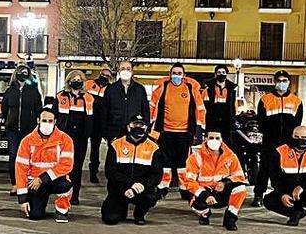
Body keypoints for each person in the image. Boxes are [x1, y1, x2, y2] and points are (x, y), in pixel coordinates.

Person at [150, 63, 206, 199]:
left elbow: (200, 109)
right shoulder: (162, 88)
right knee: (165, 161)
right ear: (170, 75)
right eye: (174, 73)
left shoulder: (190, 88)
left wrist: (198, 130)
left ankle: (184, 187)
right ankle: (163, 186)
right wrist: (151, 127)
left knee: (183, 162)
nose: (176, 75)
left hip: (185, 132)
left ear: (184, 75)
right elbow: (152, 106)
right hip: (165, 132)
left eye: (179, 73)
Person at [252, 70, 303, 206]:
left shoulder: (296, 101)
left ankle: (282, 194)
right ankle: (258, 194)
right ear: (275, 82)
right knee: (265, 168)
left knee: (284, 169)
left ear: (288, 83)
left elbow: (297, 122)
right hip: (270, 140)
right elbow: (261, 120)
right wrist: (268, 134)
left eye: (284, 81)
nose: (282, 83)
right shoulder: (265, 99)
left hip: (287, 141)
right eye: (279, 81)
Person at [15, 106, 74, 223]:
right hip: (34, 182)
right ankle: (38, 204)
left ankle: (62, 210)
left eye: (50, 121)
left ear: (55, 122)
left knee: (65, 186)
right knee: (35, 215)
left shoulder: (65, 139)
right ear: (38, 120)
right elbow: (20, 169)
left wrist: (42, 178)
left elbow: (66, 165)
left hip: (55, 179)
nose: (47, 123)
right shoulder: (27, 141)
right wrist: (22, 199)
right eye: (44, 120)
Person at [101, 115, 162, 225]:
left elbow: (156, 175)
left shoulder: (154, 147)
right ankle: (121, 208)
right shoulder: (116, 144)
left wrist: (142, 185)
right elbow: (110, 171)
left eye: (141, 125)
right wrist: (129, 185)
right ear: (128, 127)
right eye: (135, 124)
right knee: (110, 219)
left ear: (146, 127)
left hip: (141, 189)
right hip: (120, 188)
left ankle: (139, 214)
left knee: (151, 197)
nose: (138, 127)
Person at [184, 130, 247, 231]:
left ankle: (230, 218)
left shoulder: (231, 156)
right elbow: (189, 181)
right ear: (205, 139)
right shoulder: (195, 157)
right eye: (211, 138)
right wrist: (205, 195)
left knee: (241, 189)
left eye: (217, 138)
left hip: (222, 192)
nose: (214, 141)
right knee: (195, 203)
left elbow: (239, 176)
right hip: (204, 192)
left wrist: (225, 182)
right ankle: (204, 214)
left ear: (221, 140)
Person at [56, 70, 95, 205]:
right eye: (74, 79)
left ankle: (75, 195)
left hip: (80, 138)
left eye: (79, 79)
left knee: (77, 167)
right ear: (69, 81)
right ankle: (63, 192)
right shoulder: (60, 96)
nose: (77, 81)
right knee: (64, 166)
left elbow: (90, 119)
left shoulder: (89, 98)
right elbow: (56, 117)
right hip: (64, 137)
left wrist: (87, 135)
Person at [2, 64, 42, 194]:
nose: (23, 74)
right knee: (13, 156)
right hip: (12, 129)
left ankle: (27, 182)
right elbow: (4, 109)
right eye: (20, 72)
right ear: (16, 74)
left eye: (25, 72)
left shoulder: (34, 91)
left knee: (29, 157)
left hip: (28, 130)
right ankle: (15, 184)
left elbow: (38, 110)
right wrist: (9, 121)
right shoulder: (9, 91)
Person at [101, 61, 150, 143]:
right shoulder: (111, 89)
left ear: (132, 71)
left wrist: (146, 129)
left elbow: (145, 111)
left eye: (128, 68)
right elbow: (104, 112)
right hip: (114, 132)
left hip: (135, 132)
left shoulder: (140, 89)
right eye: (123, 68)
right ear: (119, 71)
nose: (125, 71)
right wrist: (105, 133)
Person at [201, 64, 239, 152]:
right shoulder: (208, 89)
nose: (221, 74)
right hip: (212, 121)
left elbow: (233, 106)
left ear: (226, 74)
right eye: (219, 72)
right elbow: (203, 106)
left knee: (226, 146)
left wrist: (233, 120)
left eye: (223, 72)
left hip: (227, 122)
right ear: (215, 74)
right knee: (211, 145)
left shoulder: (232, 89)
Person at [85, 67, 112, 183]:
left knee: (96, 149)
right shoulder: (89, 84)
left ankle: (93, 172)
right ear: (100, 74)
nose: (105, 77)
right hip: (88, 120)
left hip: (102, 124)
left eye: (107, 76)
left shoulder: (110, 89)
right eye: (103, 74)